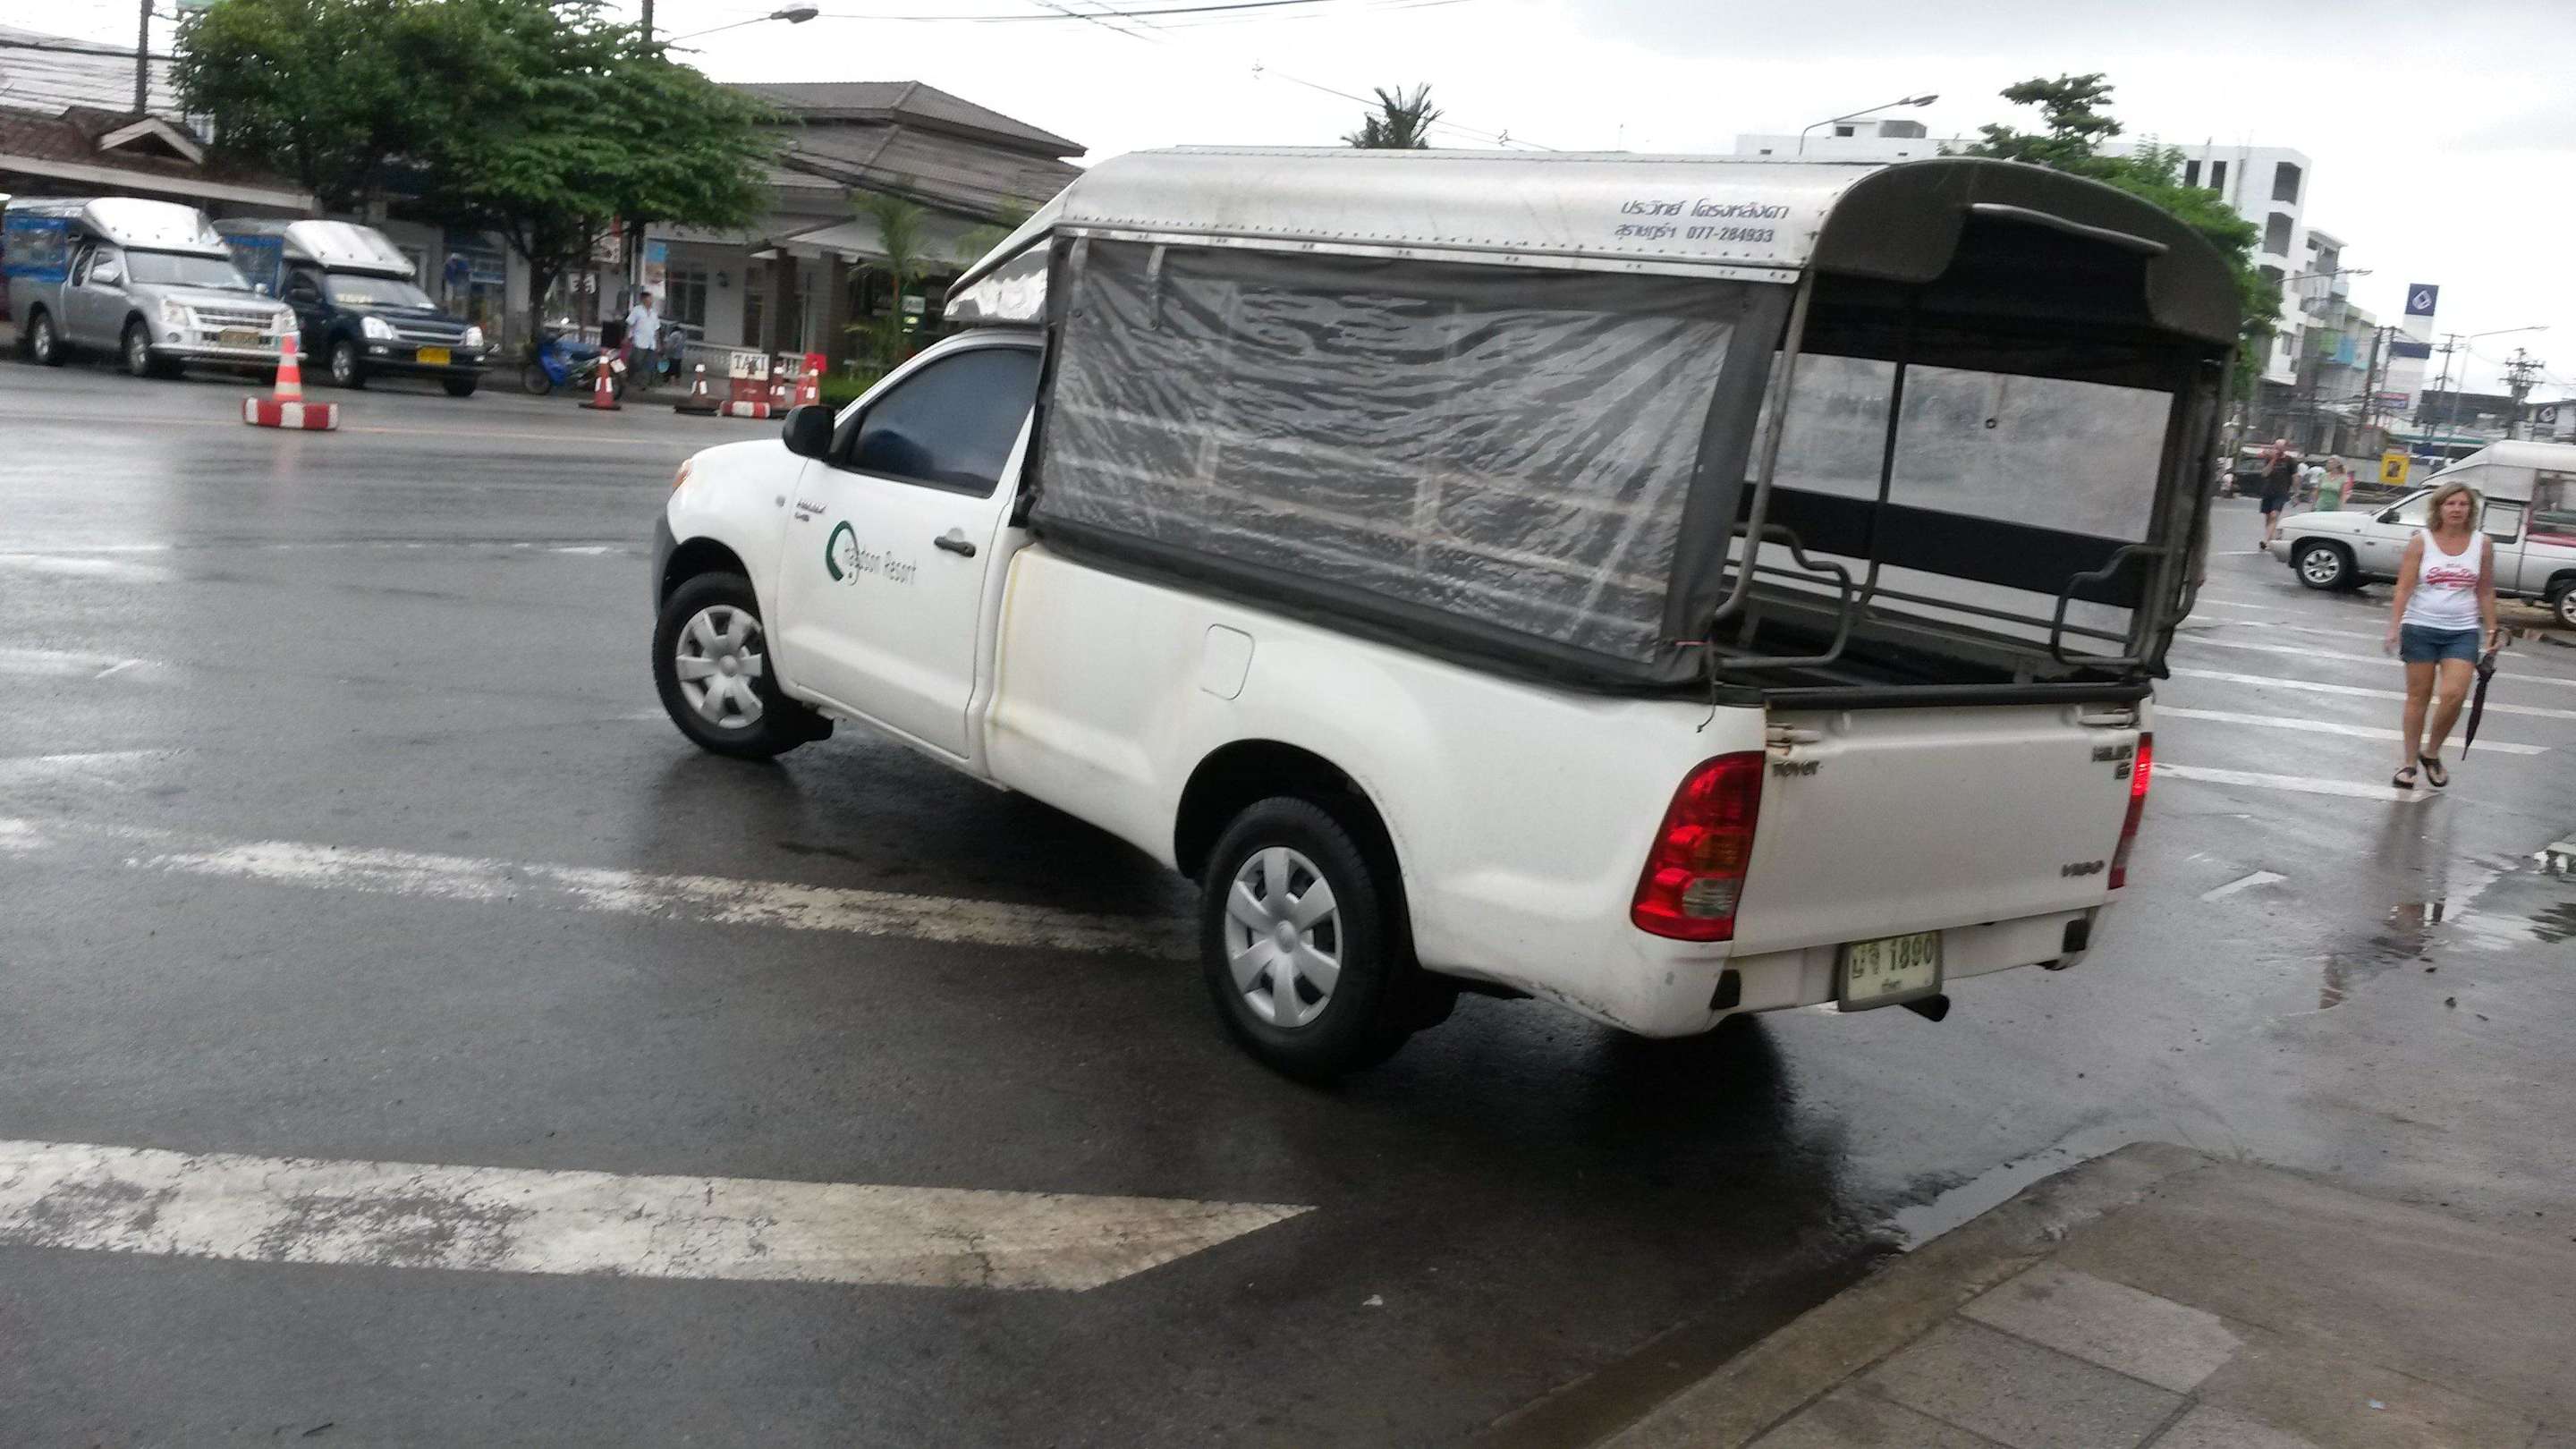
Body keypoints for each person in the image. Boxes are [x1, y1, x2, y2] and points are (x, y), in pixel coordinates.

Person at [2383, 480, 2501, 790]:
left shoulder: (2482, 544)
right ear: (2439, 508)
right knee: (2418, 697)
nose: (2457, 509)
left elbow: (2485, 589)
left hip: (2462, 630)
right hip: (2420, 626)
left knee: (2454, 695)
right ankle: (2409, 764)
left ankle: (2431, 752)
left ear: (2471, 510)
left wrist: (2492, 629)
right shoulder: (2421, 542)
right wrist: (2394, 626)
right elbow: (2404, 587)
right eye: (2451, 503)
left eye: (2463, 504)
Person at [2257, 438, 2297, 546]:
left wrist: (2296, 493)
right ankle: (2271, 540)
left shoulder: (2290, 461)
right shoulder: (2269, 459)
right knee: (2268, 517)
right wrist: (2273, 460)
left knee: (2274, 515)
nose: (2278, 449)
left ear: (2285, 448)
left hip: (2281, 492)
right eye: (2276, 447)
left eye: (2280, 447)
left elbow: (2295, 477)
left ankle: (2265, 540)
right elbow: (2264, 474)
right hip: (2268, 491)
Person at [624, 289, 661, 392]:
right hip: (639, 341)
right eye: (650, 298)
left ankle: (643, 384)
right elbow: (630, 324)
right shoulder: (637, 310)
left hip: (651, 343)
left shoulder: (654, 313)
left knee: (648, 365)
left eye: (652, 299)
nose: (651, 301)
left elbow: (657, 329)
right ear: (644, 299)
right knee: (636, 362)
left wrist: (658, 343)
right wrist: (627, 337)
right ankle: (629, 378)